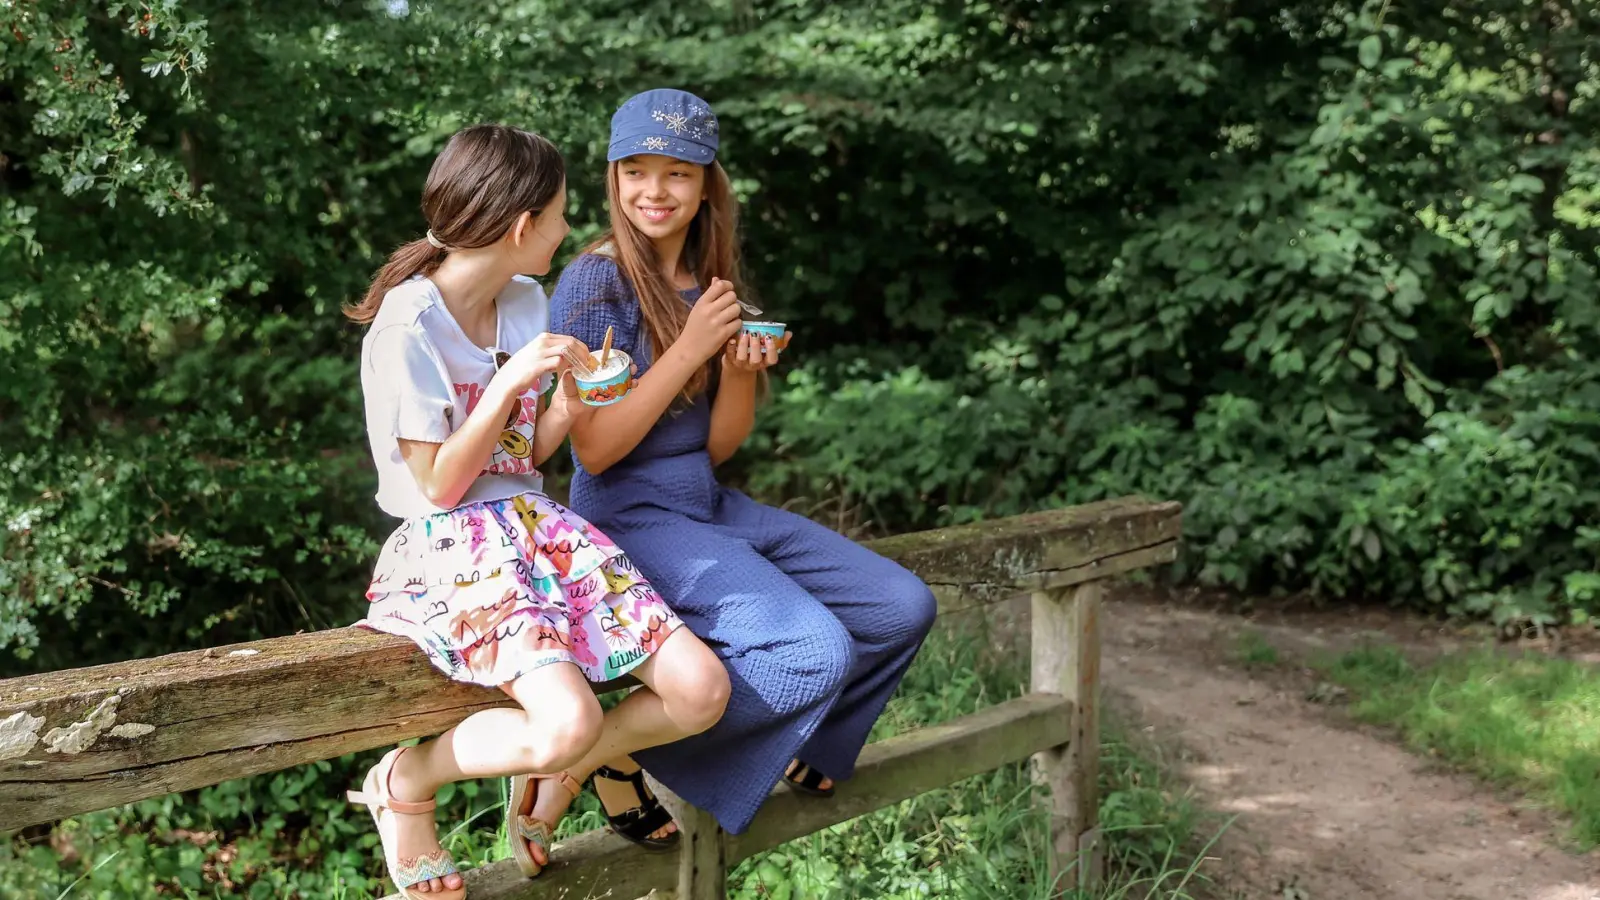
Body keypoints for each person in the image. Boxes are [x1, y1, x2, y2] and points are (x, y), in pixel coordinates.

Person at [342, 123, 729, 897]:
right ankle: (406, 781)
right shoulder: (405, 330)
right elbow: (442, 488)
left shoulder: (523, 298)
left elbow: (526, 456)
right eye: (556, 214)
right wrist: (509, 380)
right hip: (450, 544)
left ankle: (567, 775)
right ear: (523, 226)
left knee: (700, 691)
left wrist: (567, 405)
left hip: (535, 526)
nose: (566, 229)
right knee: (567, 724)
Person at [543, 89, 937, 839]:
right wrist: (691, 349)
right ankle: (610, 751)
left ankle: (800, 740)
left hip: (706, 503)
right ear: (614, 175)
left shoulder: (715, 283)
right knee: (814, 648)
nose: (655, 192)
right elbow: (591, 448)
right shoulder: (594, 282)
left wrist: (742, 368)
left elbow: (718, 447)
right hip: (624, 513)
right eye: (637, 171)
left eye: (678, 174)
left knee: (899, 607)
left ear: (707, 183)